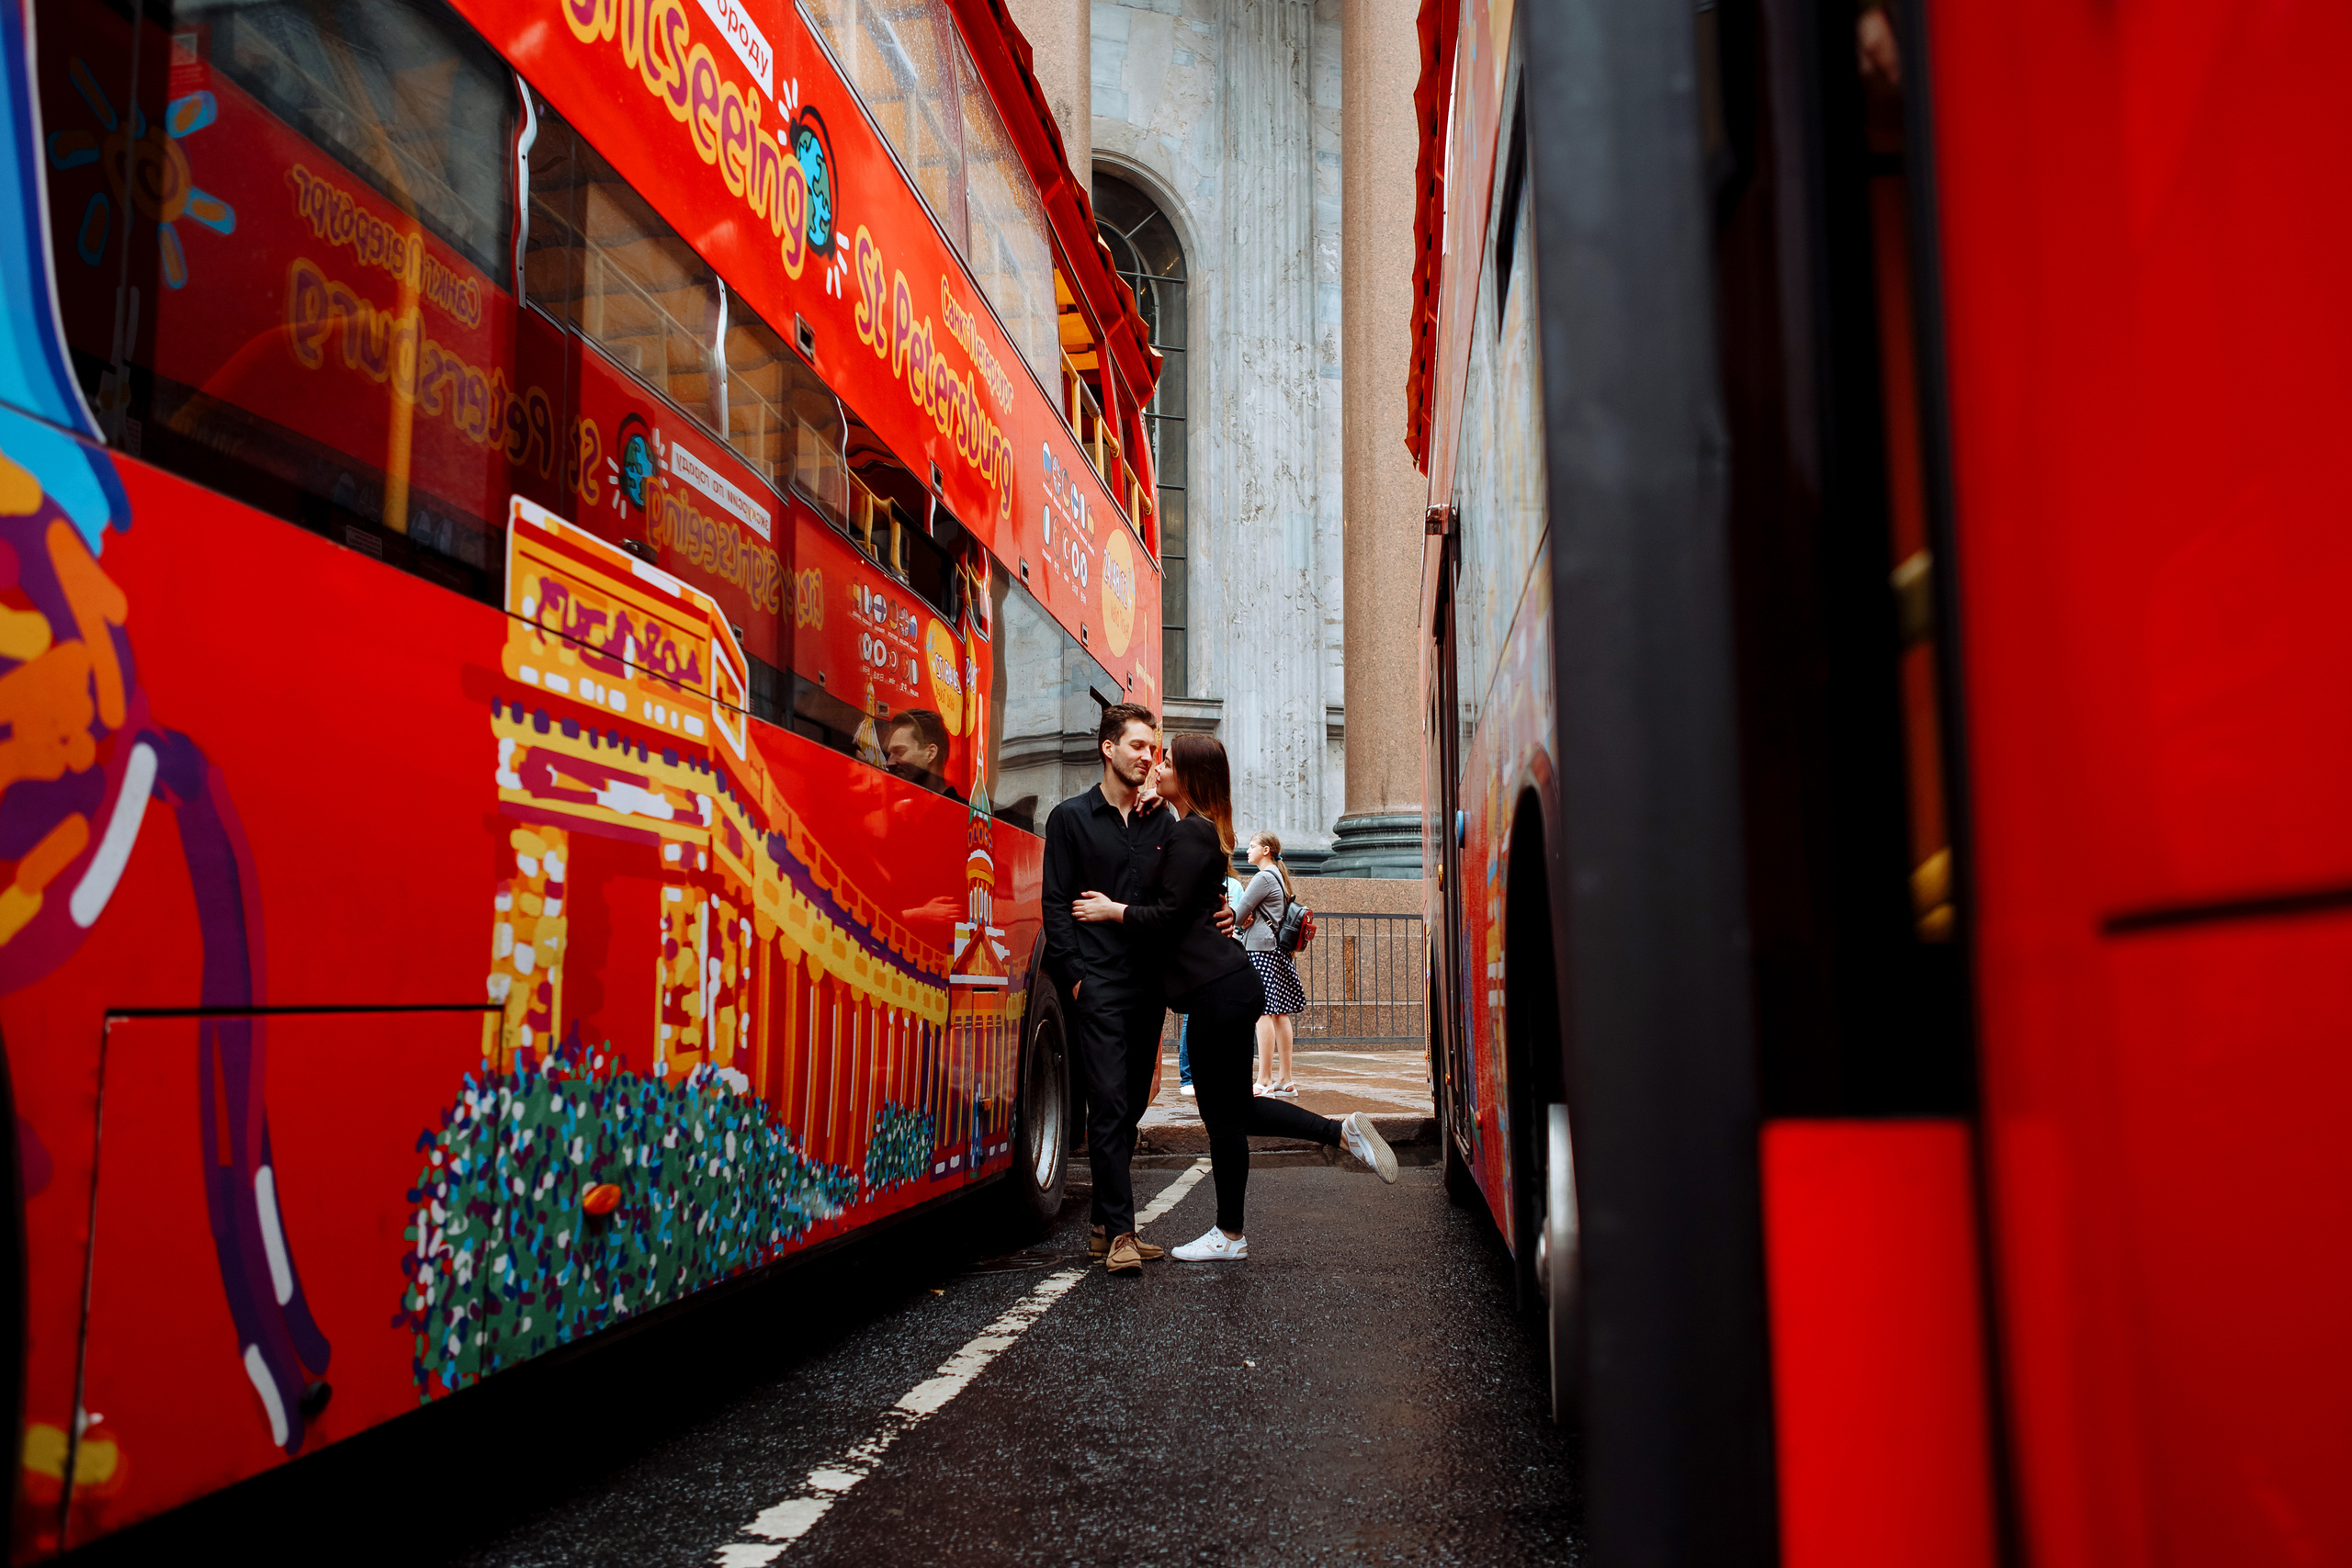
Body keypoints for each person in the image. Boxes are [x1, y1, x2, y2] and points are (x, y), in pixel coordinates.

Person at [1073, 735, 1396, 1263]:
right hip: (1222, 987)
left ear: (1190, 775)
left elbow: (1168, 916)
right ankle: (1336, 1136)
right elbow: (1199, 901)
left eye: (1167, 761)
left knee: (1223, 1118)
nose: (1156, 766)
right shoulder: (1194, 829)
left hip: (1217, 991)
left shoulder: (1192, 833)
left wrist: (1113, 910)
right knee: (1235, 1110)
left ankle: (1232, 1232)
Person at [1038, 703, 1182, 1275]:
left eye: (1153, 749)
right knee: (1108, 1101)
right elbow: (1056, 904)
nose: (1148, 757)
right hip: (1096, 983)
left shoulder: (1161, 823)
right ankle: (1123, 1233)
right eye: (1138, 746)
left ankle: (1103, 1224)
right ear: (1109, 748)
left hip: (1148, 985)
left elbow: (1176, 898)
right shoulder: (1069, 819)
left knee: (1131, 1105)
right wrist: (1075, 978)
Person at [1236, 831, 1306, 1096]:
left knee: (1262, 1012)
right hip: (1276, 949)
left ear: (1266, 850)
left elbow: (1238, 914)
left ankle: (1264, 1079)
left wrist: (1243, 920)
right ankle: (1285, 1080)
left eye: (1252, 846)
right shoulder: (1278, 876)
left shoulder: (1263, 877)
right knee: (1279, 1013)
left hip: (1260, 949)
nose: (1247, 850)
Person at [883, 708, 962, 801]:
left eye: (899, 751)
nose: (889, 763)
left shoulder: (961, 809)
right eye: (889, 755)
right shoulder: (905, 807)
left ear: (930, 754)